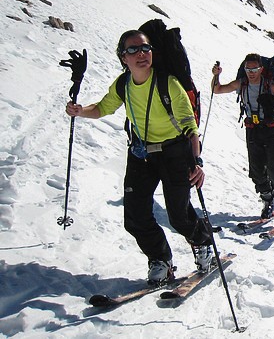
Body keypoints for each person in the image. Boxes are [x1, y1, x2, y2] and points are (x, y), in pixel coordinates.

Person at [65, 30, 214, 285]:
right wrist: (80, 111)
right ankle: (160, 259)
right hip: (141, 153)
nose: (141, 54)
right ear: (123, 58)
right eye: (133, 50)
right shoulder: (123, 85)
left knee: (179, 216)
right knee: (135, 215)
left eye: (145, 48)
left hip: (174, 153)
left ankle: (202, 242)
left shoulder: (168, 83)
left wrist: (196, 162)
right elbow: (102, 108)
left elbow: (190, 126)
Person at [211, 54, 274, 226]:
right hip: (252, 130)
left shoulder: (271, 86)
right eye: (248, 69)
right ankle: (268, 200)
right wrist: (216, 75)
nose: (251, 73)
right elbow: (217, 90)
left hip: (271, 131)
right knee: (256, 170)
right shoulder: (242, 84)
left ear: (261, 69)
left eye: (254, 69)